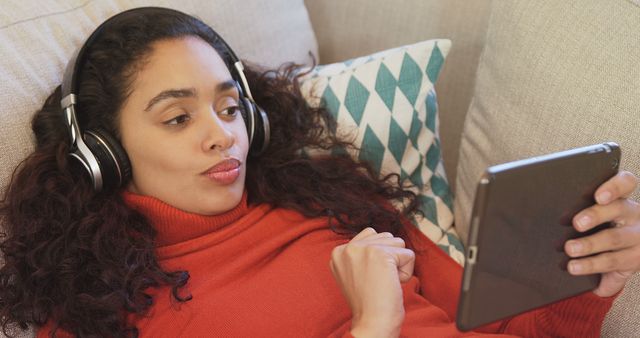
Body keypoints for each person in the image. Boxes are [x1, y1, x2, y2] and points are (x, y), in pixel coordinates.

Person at [0, 7, 638, 338]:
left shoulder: (332, 201)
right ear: (104, 149)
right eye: (176, 118)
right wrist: (372, 326)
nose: (223, 133)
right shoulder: (95, 311)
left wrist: (585, 284)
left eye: (230, 106)